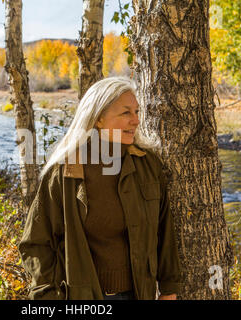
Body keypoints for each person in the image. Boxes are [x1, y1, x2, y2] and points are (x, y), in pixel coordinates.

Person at [18, 77, 181, 300]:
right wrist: (48, 296)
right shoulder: (66, 172)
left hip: (139, 294)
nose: (135, 120)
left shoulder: (147, 164)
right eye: (125, 113)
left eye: (136, 111)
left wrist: (169, 289)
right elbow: (36, 243)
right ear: (98, 119)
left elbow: (165, 230)